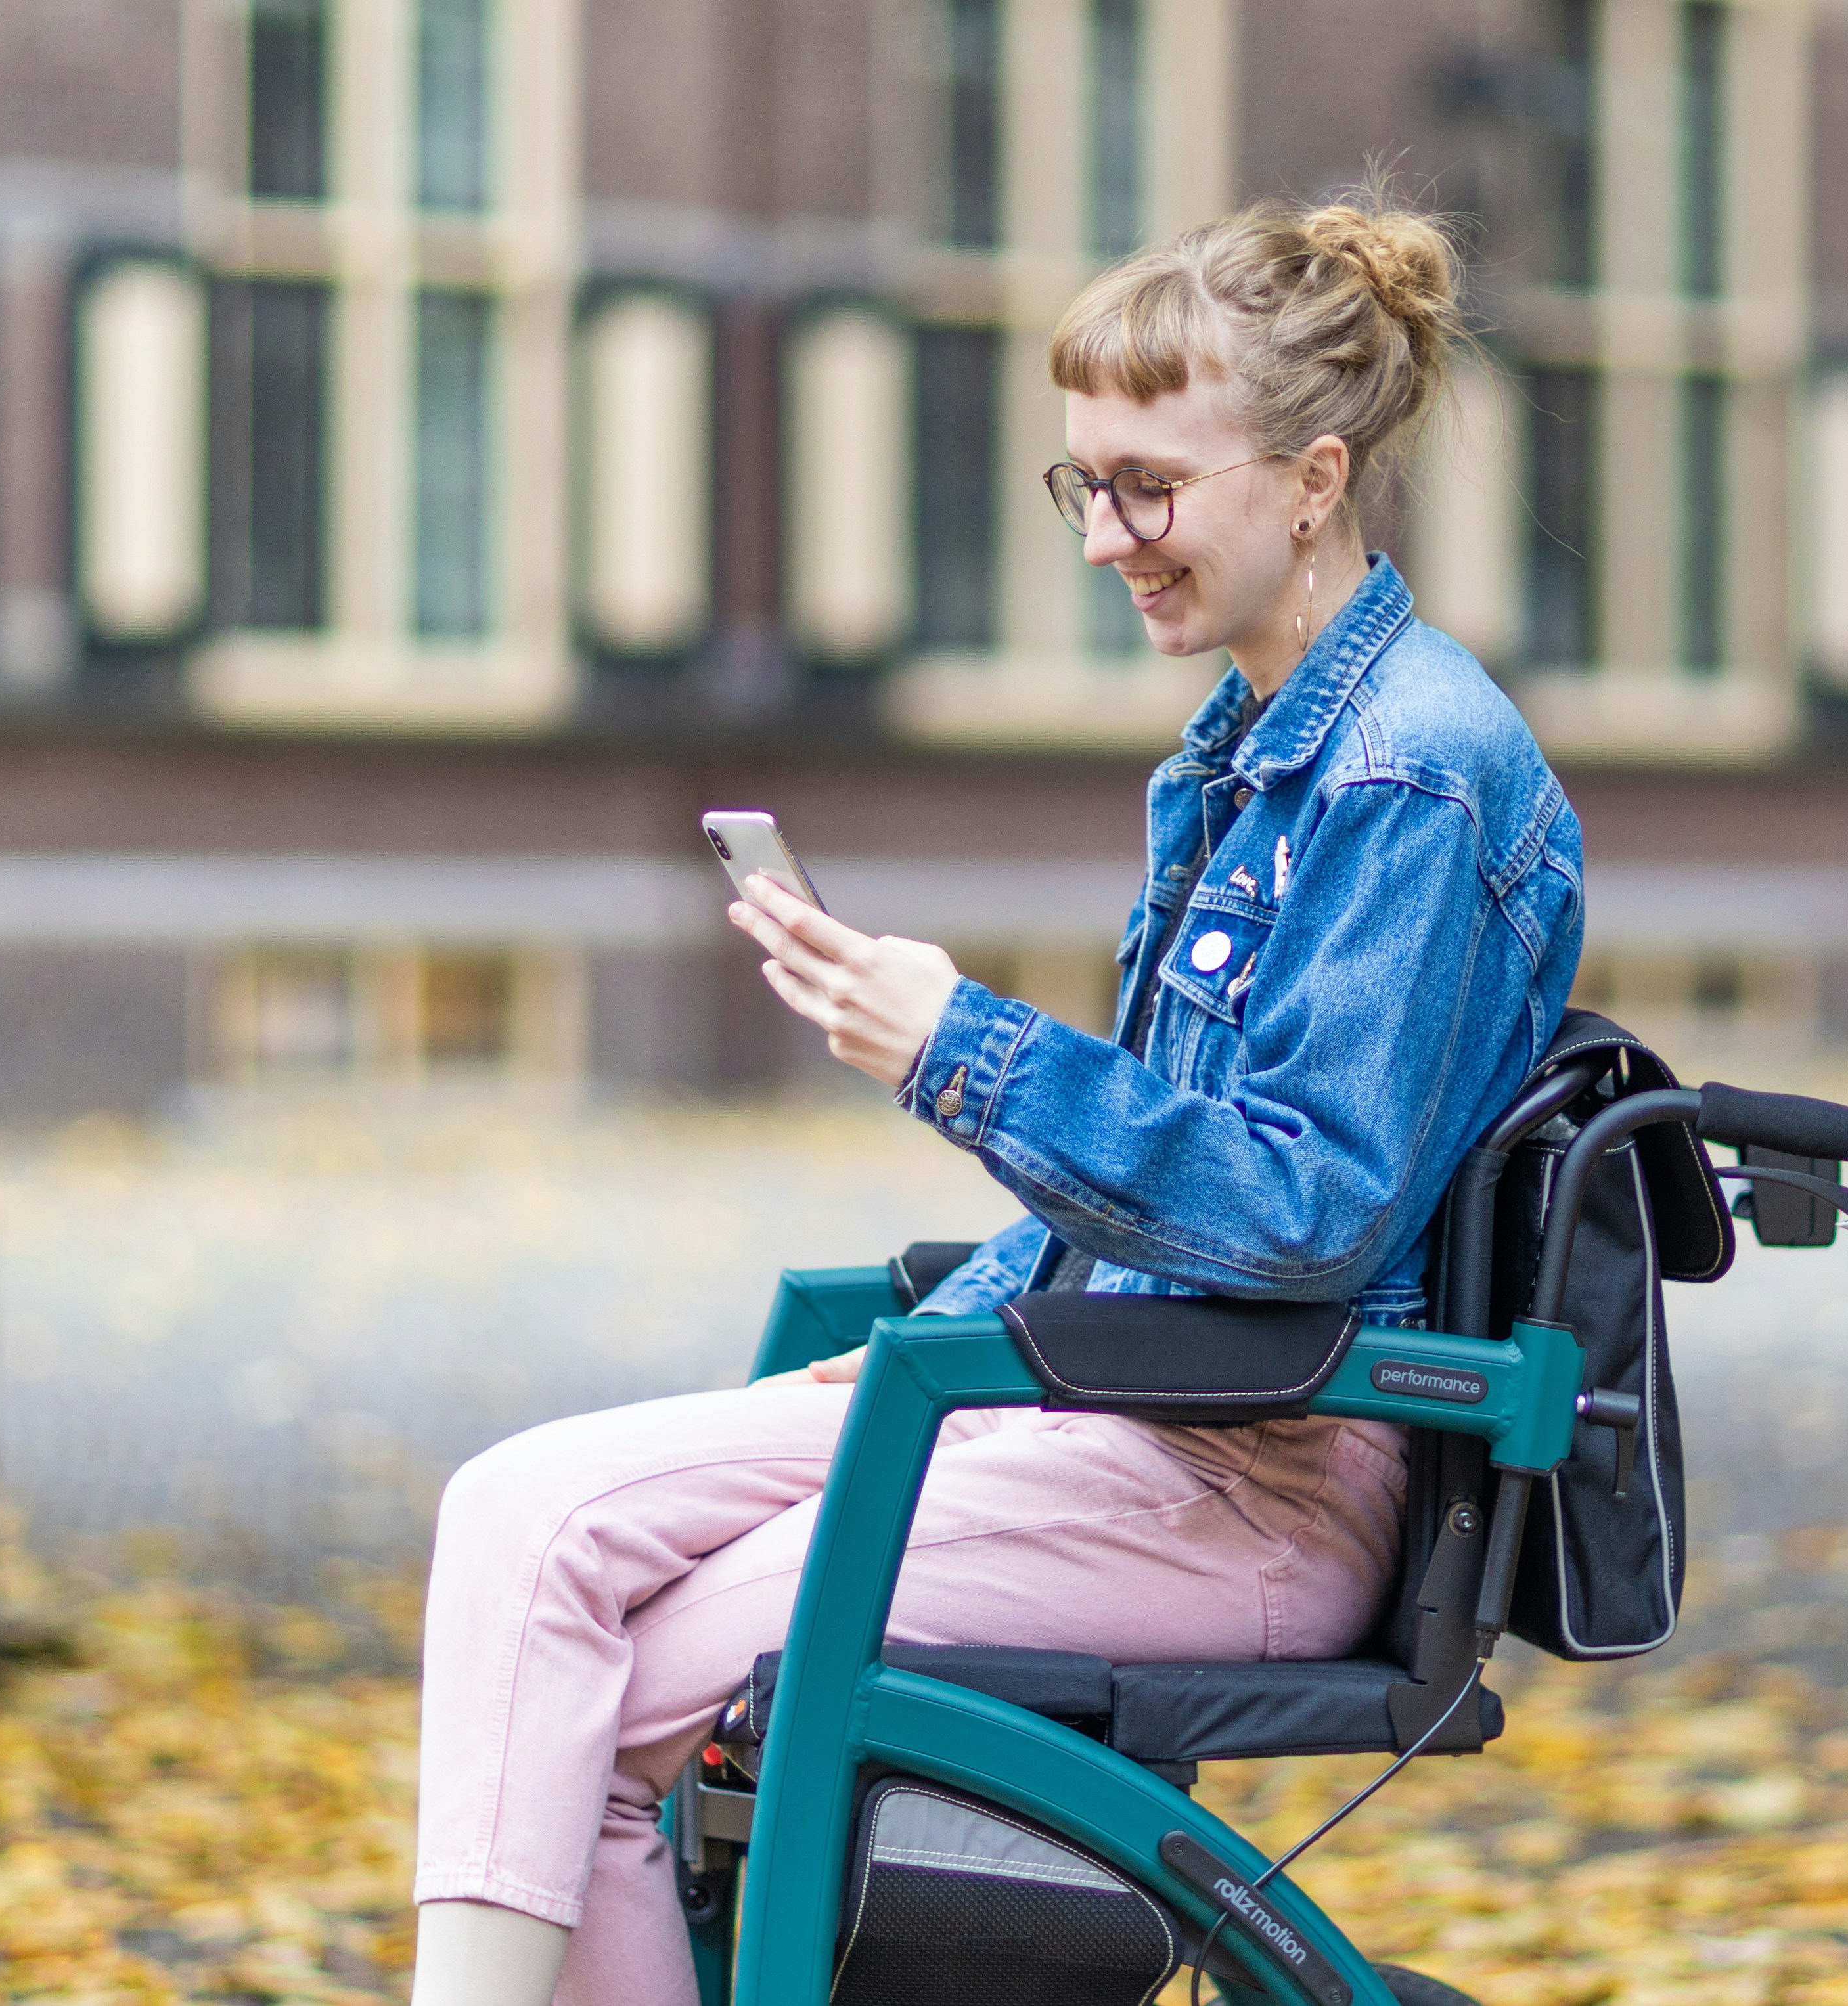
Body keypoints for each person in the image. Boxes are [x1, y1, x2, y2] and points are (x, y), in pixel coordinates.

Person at [408, 192, 1584, 2006]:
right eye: (1081, 490)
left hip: (1256, 1477)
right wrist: (934, 1325)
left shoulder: (1416, 776)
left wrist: (961, 1048)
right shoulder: (1234, 760)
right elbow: (1138, 1181)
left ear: (1313, 478)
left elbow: (1305, 1210)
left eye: (1148, 488)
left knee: (623, 1701)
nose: (1108, 539)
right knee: (519, 1518)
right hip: (1107, 1411)